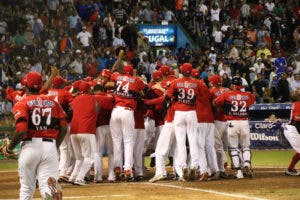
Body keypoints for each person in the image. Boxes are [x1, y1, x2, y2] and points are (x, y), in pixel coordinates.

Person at [3, 71, 67, 199]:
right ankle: (50, 192)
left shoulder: (22, 103)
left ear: (25, 86)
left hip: (30, 146)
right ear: (41, 85)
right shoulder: (54, 103)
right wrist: (55, 146)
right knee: (47, 186)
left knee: (27, 188)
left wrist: (9, 148)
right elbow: (64, 128)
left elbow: (21, 130)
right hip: (49, 146)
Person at [166, 63, 203, 181]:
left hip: (179, 113)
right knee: (193, 140)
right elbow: (200, 96)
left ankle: (183, 166)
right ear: (191, 71)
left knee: (181, 142)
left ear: (181, 71)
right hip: (191, 112)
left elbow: (168, 97)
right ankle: (194, 165)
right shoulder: (196, 83)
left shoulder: (175, 82)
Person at [213, 76, 256, 179]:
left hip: (232, 123)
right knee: (246, 147)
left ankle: (239, 172)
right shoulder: (248, 95)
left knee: (233, 148)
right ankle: (247, 164)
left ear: (232, 85)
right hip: (244, 122)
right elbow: (251, 102)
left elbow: (215, 103)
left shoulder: (226, 94)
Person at [109, 65, 145, 180]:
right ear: (132, 72)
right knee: (128, 141)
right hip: (127, 111)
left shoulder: (117, 76)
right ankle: (128, 168)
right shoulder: (137, 80)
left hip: (115, 111)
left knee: (116, 141)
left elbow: (112, 73)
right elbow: (144, 88)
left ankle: (117, 167)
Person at [68, 81, 98, 185]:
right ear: (89, 89)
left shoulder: (75, 99)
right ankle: (79, 178)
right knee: (90, 158)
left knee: (79, 158)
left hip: (73, 131)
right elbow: (97, 110)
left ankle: (72, 177)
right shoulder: (93, 99)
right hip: (87, 130)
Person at [284, 91, 300, 175]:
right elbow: (297, 121)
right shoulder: (298, 104)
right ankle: (289, 169)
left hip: (294, 128)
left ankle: (290, 169)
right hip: (294, 129)